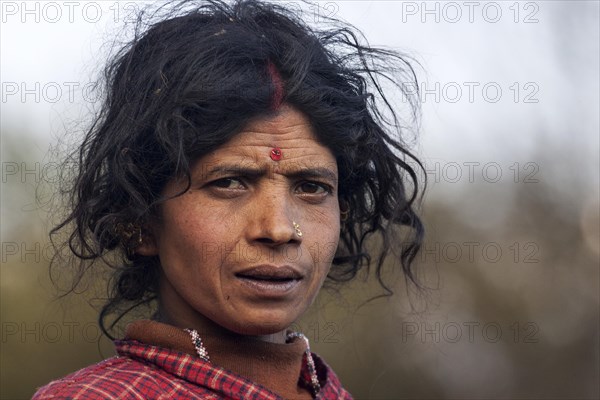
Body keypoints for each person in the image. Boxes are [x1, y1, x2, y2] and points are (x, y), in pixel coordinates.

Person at [33, 0, 424, 398]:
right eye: (230, 183)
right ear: (140, 221)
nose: (278, 229)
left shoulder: (330, 392)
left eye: (311, 187)